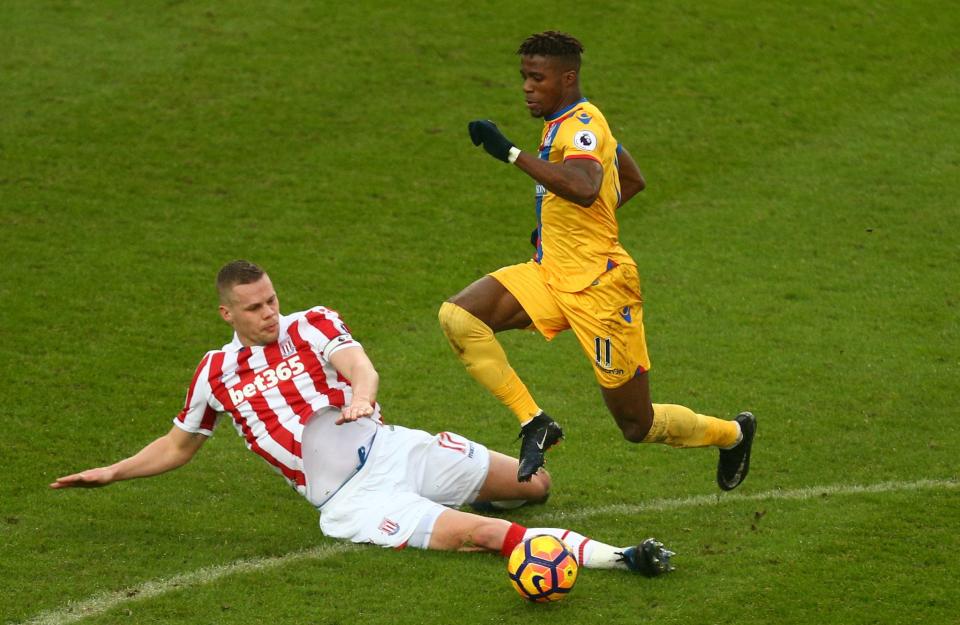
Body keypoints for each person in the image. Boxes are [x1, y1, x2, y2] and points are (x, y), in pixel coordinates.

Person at [51, 260, 674, 577]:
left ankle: (451, 511)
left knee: (536, 488)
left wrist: (360, 395)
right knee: (485, 538)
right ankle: (621, 557)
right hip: (351, 498)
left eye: (271, 299)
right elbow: (178, 445)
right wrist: (111, 472)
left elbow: (360, 367)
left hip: (392, 447)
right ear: (227, 314)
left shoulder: (312, 322)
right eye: (254, 308)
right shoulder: (215, 374)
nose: (269, 313)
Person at [438, 31, 756, 485]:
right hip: (550, 274)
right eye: (524, 77)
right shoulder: (567, 123)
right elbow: (630, 176)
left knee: (636, 425)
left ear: (567, 78)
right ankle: (535, 422)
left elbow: (586, 187)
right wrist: (558, 228)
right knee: (459, 316)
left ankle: (731, 435)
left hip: (600, 288)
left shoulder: (582, 125)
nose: (527, 87)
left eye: (537, 78)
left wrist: (510, 153)